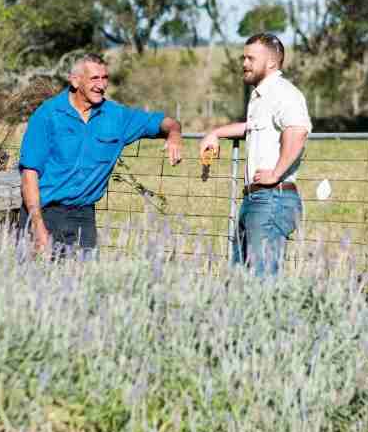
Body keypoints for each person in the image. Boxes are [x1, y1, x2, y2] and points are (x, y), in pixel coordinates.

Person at [18, 53, 183, 256]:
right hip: (43, 212)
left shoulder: (116, 116)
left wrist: (174, 133)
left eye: (105, 78)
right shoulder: (48, 114)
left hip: (83, 216)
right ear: (75, 80)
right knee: (36, 276)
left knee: (83, 276)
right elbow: (29, 174)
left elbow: (164, 122)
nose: (101, 85)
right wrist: (37, 227)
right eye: (94, 78)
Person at [200, 33, 311, 275]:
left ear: (271, 62)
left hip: (272, 197)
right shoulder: (262, 96)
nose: (244, 63)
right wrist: (215, 133)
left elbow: (298, 131)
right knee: (242, 280)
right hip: (257, 199)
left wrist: (276, 173)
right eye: (244, 58)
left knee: (261, 281)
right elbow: (251, 127)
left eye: (251, 58)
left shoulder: (282, 92)